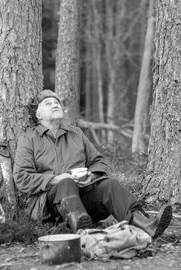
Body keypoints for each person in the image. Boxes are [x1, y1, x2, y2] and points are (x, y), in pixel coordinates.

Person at [13, 90, 172, 238]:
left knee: (109, 185)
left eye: (57, 102)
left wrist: (92, 175)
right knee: (66, 182)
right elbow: (22, 178)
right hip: (50, 208)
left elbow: (98, 161)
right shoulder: (29, 138)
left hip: (83, 201)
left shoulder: (75, 133)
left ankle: (145, 225)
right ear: (38, 114)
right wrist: (56, 179)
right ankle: (84, 233)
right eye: (48, 103)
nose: (55, 104)